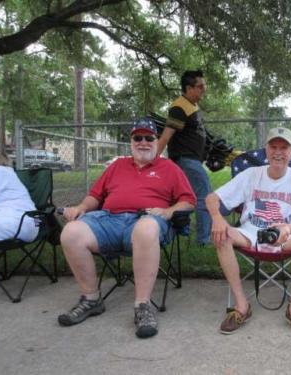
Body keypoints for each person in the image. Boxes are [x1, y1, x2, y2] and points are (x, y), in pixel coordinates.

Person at [57, 117, 196, 339]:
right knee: (71, 232)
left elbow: (188, 200)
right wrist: (81, 207)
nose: (143, 142)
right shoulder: (117, 165)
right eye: (137, 137)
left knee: (146, 228)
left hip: (148, 220)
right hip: (109, 220)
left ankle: (143, 306)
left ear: (157, 140)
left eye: (149, 138)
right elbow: (95, 195)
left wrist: (169, 212)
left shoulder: (169, 167)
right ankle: (91, 299)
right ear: (131, 141)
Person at [205, 127, 291, 337]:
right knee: (221, 233)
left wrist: (289, 228)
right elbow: (211, 198)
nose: (278, 152)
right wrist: (217, 218)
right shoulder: (251, 175)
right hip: (250, 235)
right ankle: (242, 306)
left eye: (284, 147)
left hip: (286, 238)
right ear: (266, 150)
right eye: (273, 146)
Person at [157, 69, 212, 245]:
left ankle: (182, 232)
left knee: (186, 198)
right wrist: (151, 161)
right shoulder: (179, 108)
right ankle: (204, 240)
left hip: (192, 161)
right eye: (200, 86)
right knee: (205, 196)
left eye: (204, 86)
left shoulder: (191, 106)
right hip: (185, 160)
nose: (204, 89)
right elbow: (166, 136)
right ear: (189, 88)